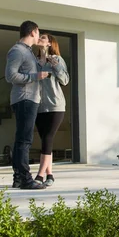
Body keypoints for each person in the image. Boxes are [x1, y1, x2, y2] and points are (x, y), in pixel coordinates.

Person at [5, 21, 49, 190]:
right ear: (33, 32)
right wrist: (35, 76)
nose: (39, 37)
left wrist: (44, 49)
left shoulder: (28, 52)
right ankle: (25, 179)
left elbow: (40, 65)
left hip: (30, 99)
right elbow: (11, 76)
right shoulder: (17, 51)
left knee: (21, 140)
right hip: (24, 99)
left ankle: (18, 178)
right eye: (38, 33)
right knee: (24, 140)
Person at [34, 33, 69, 186]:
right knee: (44, 141)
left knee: (48, 138)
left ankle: (39, 176)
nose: (39, 38)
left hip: (55, 105)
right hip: (39, 106)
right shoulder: (34, 61)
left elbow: (65, 81)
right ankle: (50, 175)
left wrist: (56, 66)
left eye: (43, 37)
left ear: (49, 43)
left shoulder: (57, 60)